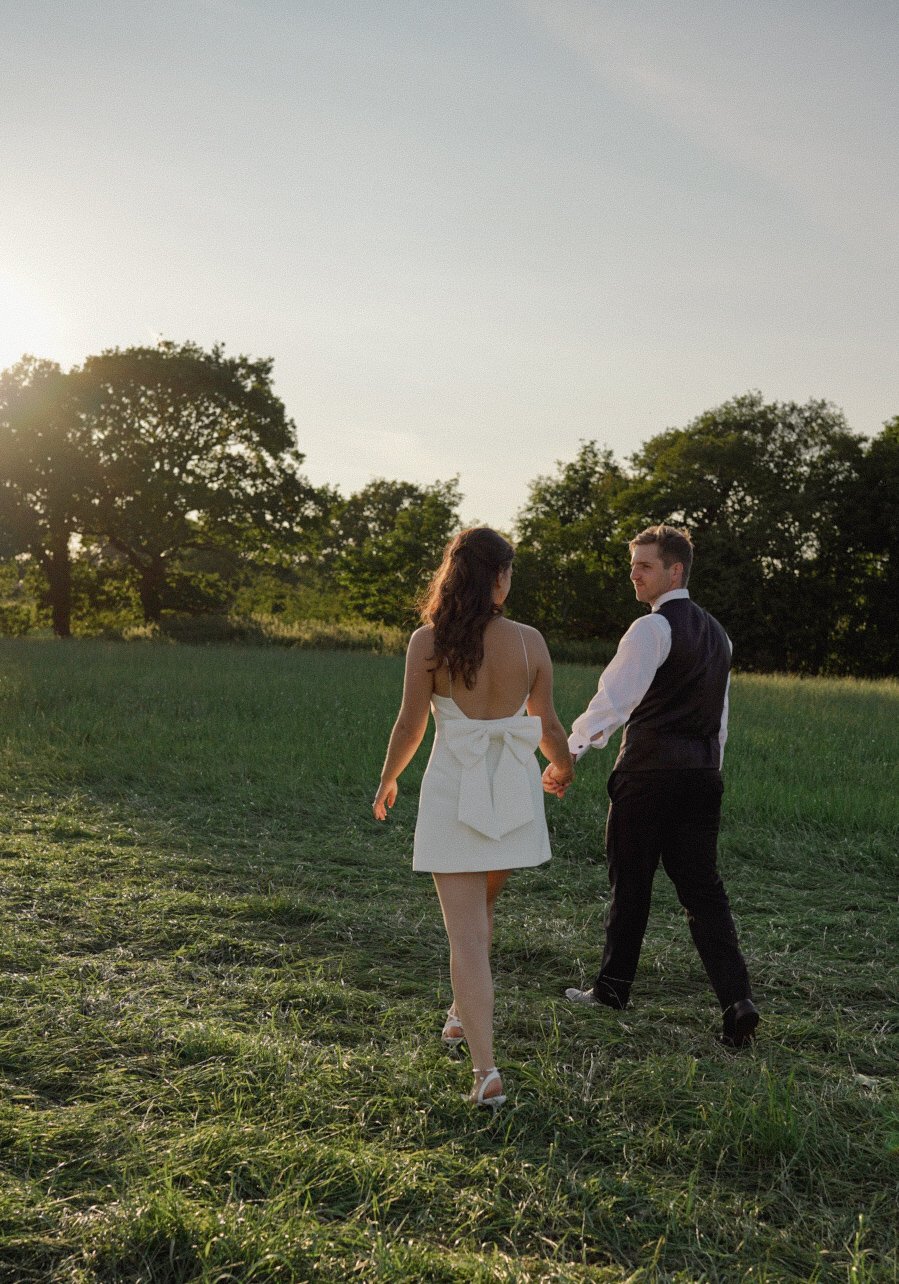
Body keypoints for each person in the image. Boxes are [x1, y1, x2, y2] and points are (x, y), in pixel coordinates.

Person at [373, 527, 574, 1106]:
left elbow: (411, 724)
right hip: (511, 791)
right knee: (481, 912)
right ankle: (461, 1016)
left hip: (454, 793)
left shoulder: (427, 642)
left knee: (466, 934)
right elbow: (549, 724)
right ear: (500, 579)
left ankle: (485, 1071)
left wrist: (389, 778)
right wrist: (560, 767)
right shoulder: (531, 643)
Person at [544, 524, 759, 1047]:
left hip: (648, 776)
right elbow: (720, 718)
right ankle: (738, 1001)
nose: (634, 574)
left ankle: (612, 991)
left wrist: (566, 754)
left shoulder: (651, 628)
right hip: (703, 777)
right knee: (704, 891)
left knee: (631, 884)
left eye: (644, 565)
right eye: (633, 564)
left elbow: (612, 702)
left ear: (674, 570)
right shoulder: (719, 635)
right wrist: (711, 768)